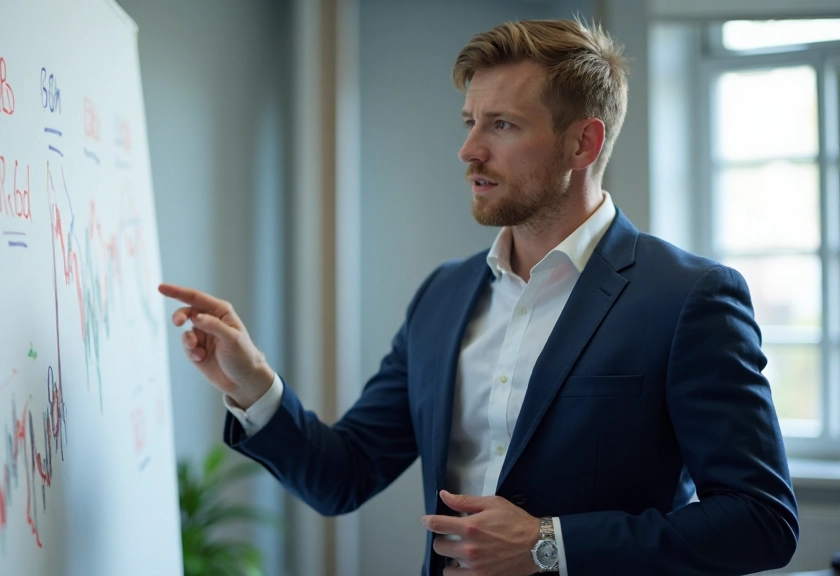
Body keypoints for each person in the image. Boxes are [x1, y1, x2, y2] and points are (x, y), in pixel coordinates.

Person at [159, 18, 799, 576]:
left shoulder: (690, 298)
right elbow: (343, 476)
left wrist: (549, 546)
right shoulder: (443, 296)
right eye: (470, 122)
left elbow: (761, 520)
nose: (469, 151)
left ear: (585, 143)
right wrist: (252, 384)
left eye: (502, 125)